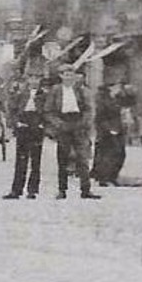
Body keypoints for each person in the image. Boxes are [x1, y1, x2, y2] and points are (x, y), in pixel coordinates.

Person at [44, 63, 100, 200]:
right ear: (61, 76)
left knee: (83, 158)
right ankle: (62, 190)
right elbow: (48, 110)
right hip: (63, 123)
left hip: (78, 123)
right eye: (65, 75)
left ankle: (85, 190)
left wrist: (84, 123)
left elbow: (89, 109)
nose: (68, 78)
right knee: (62, 158)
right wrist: (58, 124)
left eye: (71, 75)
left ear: (75, 76)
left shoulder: (81, 91)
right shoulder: (55, 91)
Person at [4, 65, 47, 199]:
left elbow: (49, 111)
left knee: (36, 159)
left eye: (37, 78)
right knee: (21, 159)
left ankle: (32, 190)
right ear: (27, 79)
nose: (34, 81)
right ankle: (16, 190)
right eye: (31, 78)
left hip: (37, 126)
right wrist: (15, 123)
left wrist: (43, 124)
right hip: (23, 125)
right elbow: (12, 110)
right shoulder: (20, 94)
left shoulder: (45, 95)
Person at [92, 82, 128, 186]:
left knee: (120, 154)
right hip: (107, 131)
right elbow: (100, 116)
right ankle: (104, 177)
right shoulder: (103, 99)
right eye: (117, 87)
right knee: (108, 155)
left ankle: (113, 176)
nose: (119, 89)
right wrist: (109, 129)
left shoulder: (117, 99)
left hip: (118, 129)